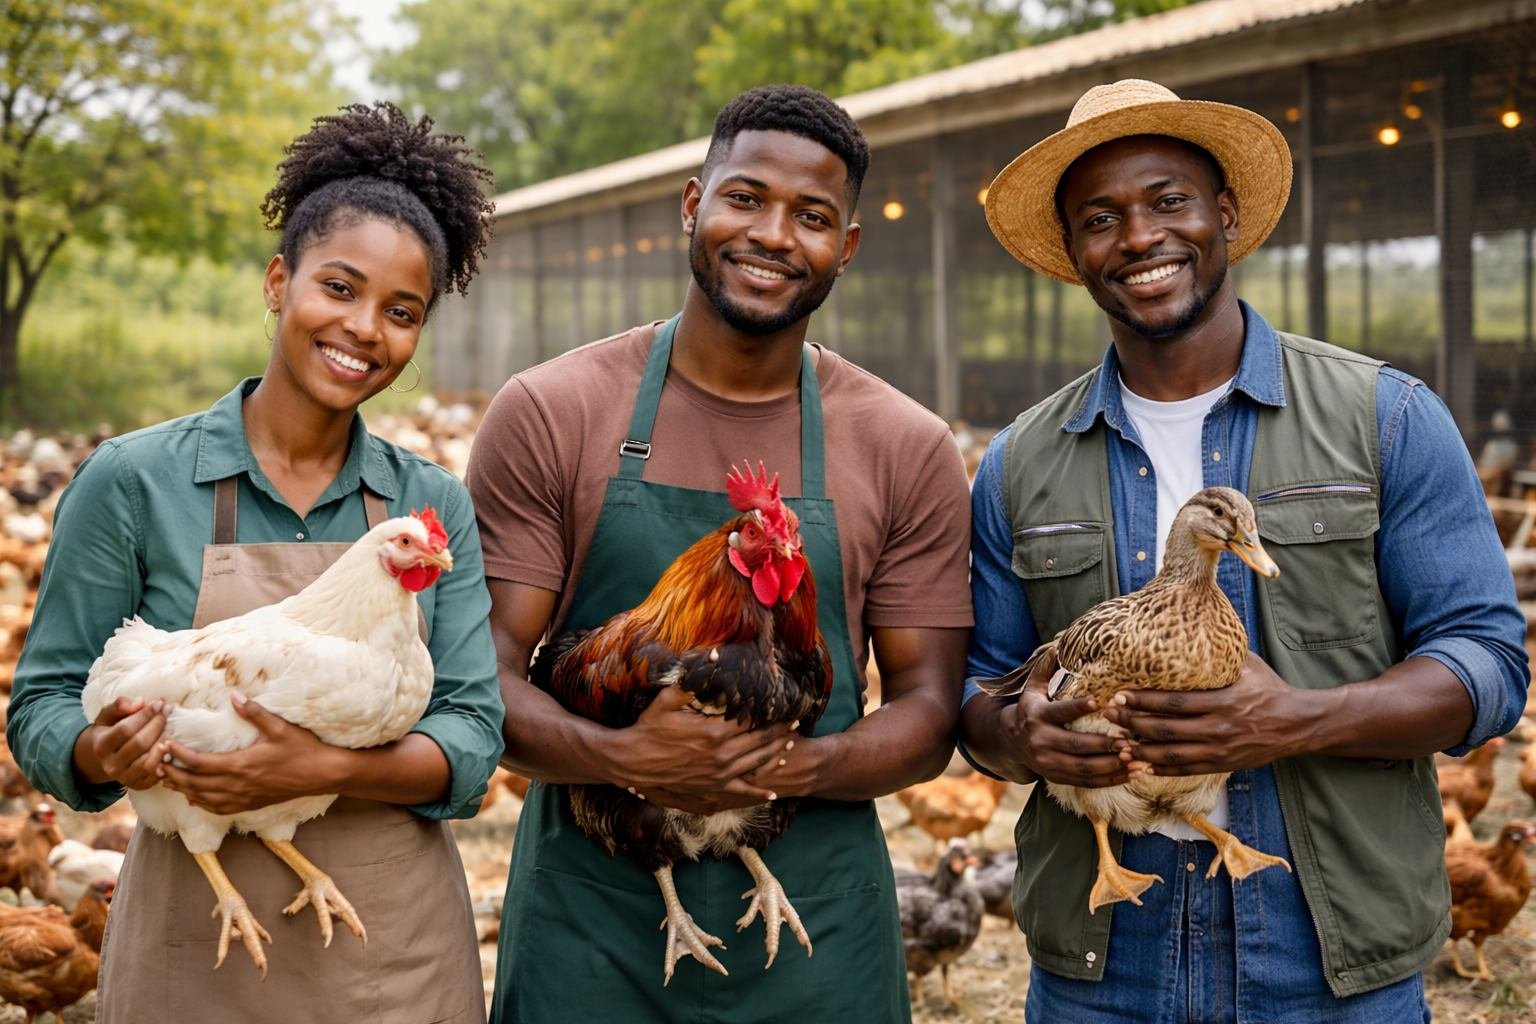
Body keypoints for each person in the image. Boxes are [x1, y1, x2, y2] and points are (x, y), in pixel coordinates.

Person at [960, 79, 1529, 1021]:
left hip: (1328, 957)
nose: (1139, 237)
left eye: (1169, 201)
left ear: (1223, 213)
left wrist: (1299, 719)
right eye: (1100, 218)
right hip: (1105, 965)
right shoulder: (1019, 462)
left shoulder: (1386, 419)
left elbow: (1490, 666)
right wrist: (1023, 734)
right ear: (1073, 250)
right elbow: (978, 696)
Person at [467, 84, 972, 1022]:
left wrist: (787, 769)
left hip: (817, 921)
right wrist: (627, 756)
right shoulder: (552, 410)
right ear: (694, 204)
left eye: (812, 216)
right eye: (746, 198)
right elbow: (480, 676)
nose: (773, 235)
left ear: (846, 247)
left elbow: (931, 708)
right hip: (592, 922)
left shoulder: (905, 444)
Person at [8, 102, 504, 1023]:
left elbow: (473, 736)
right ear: (279, 281)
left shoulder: (430, 502)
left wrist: (314, 766)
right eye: (339, 287)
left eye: (402, 313)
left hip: (391, 953)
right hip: (194, 954)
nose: (365, 328)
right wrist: (100, 750)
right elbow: (41, 703)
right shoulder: (134, 481)